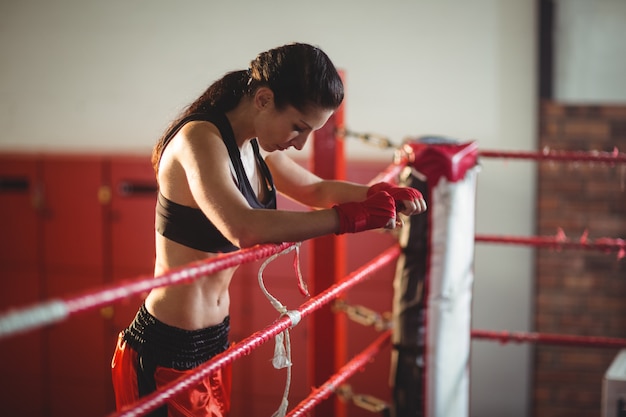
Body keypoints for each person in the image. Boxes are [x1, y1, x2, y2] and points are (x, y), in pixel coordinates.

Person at [110, 42, 426, 417]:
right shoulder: (199, 140)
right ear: (263, 99)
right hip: (164, 348)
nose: (299, 144)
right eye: (298, 127)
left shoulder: (254, 149)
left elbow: (316, 189)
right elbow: (243, 227)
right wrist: (349, 219)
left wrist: (378, 194)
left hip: (213, 343)